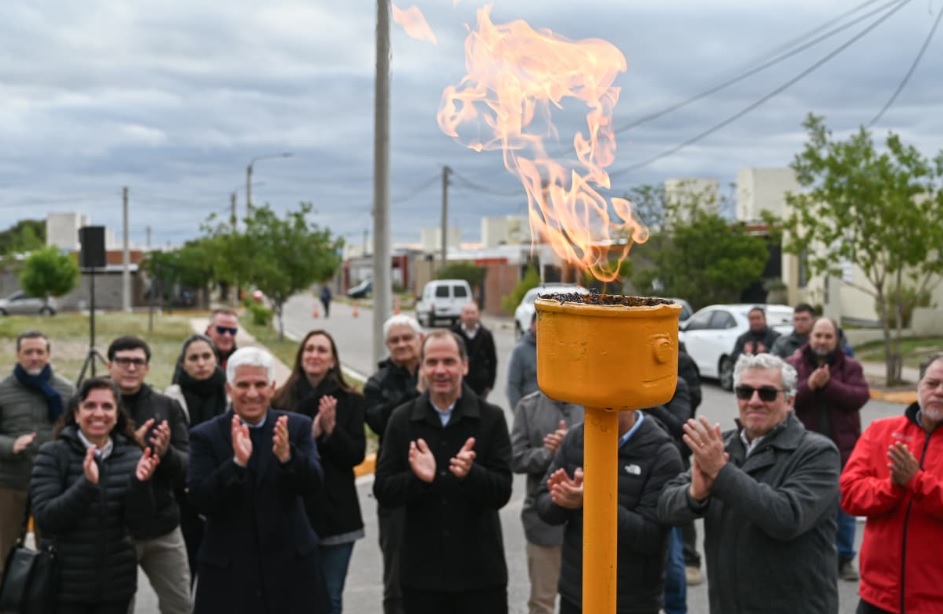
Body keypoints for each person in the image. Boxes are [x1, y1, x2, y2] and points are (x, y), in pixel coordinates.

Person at [658, 353, 841, 614]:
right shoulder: (723, 446)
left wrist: (721, 474)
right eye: (745, 392)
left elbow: (786, 517)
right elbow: (664, 504)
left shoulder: (818, 452)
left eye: (767, 393)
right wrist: (694, 494)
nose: (754, 401)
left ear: (789, 401)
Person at [374, 330, 513, 614]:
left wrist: (471, 474)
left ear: (465, 366)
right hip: (422, 578)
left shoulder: (491, 419)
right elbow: (384, 490)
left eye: (449, 362)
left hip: (481, 577)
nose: (440, 370)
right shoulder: (401, 420)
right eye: (432, 362)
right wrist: (418, 480)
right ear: (422, 368)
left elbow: (502, 491)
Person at [187, 347, 329, 614]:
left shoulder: (296, 427)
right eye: (243, 385)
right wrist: (236, 465)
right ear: (229, 388)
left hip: (291, 571)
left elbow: (314, 485)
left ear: (272, 387)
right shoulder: (205, 436)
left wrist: (288, 457)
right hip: (231, 577)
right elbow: (200, 499)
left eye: (260, 384)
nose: (252, 393)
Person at [535, 403, 683, 614]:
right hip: (576, 594)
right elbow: (543, 505)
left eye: (609, 402)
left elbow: (651, 536)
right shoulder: (576, 438)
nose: (598, 407)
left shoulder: (662, 454)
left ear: (631, 401)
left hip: (631, 602)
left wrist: (592, 503)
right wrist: (563, 497)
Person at [30, 377, 160, 614]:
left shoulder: (132, 456)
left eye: (107, 406)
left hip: (115, 588)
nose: (98, 413)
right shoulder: (52, 453)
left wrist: (140, 485)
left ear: (117, 414)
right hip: (64, 589)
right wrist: (87, 485)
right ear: (76, 414)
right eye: (90, 405)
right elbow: (46, 519)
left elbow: (142, 526)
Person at [841, 353, 943, 614]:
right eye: (932, 384)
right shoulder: (880, 431)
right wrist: (893, 487)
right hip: (877, 596)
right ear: (918, 386)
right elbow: (849, 495)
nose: (940, 392)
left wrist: (916, 482)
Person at [273, 330, 366, 614]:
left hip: (337, 515)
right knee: (292, 598)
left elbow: (355, 455)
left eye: (322, 350)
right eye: (309, 349)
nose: (315, 355)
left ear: (333, 360)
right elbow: (275, 459)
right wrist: (308, 435)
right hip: (293, 513)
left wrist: (330, 431)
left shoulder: (351, 400)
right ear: (301, 357)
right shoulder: (279, 400)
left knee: (330, 596)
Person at [106, 336, 191, 614]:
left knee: (180, 605)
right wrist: (131, 450)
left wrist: (165, 453)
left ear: (147, 368)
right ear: (110, 365)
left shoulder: (166, 406)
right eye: (123, 361)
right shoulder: (95, 406)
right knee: (117, 606)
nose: (131, 368)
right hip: (114, 530)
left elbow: (186, 468)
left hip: (162, 527)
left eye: (138, 362)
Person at [787, 316, 869, 581]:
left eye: (828, 336)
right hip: (802, 448)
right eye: (818, 336)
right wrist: (810, 386)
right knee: (804, 502)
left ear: (837, 339)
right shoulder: (793, 364)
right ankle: (805, 555)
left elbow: (859, 397)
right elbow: (784, 399)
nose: (822, 341)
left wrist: (829, 385)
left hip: (842, 449)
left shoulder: (851, 366)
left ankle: (844, 558)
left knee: (844, 505)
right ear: (810, 338)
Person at [0, 330, 74, 576]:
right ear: (18, 355)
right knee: (3, 553)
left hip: (53, 487)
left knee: (53, 554)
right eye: (28, 352)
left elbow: (77, 433)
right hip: (10, 484)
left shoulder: (66, 391)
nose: (34, 357)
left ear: (48, 354)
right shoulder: (3, 390)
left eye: (39, 352)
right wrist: (10, 445)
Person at [363, 314, 424, 614]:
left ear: (419, 340)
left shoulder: (436, 369)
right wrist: (417, 394)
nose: (401, 345)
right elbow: (379, 421)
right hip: (396, 485)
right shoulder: (377, 382)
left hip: (438, 483)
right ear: (387, 345)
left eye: (406, 338)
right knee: (396, 575)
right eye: (394, 341)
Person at [510, 391, 584, 614]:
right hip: (543, 522)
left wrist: (569, 446)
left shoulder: (592, 403)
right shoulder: (528, 406)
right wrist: (548, 453)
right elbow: (515, 458)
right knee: (543, 603)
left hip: (585, 525)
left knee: (585, 600)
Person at [163, 334, 229, 586]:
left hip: (226, 490)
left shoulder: (231, 393)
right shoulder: (171, 398)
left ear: (216, 360)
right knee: (186, 575)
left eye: (206, 356)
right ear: (183, 363)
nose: (201, 363)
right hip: (184, 495)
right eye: (194, 358)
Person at [451, 302, 498, 400]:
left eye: (473, 313)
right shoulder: (454, 334)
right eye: (467, 313)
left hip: (480, 385)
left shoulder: (486, 335)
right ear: (462, 315)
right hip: (459, 383)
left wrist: (490, 384)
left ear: (478, 315)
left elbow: (492, 360)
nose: (470, 316)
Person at [507, 312, 539, 410]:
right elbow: (512, 385)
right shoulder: (520, 351)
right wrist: (519, 413)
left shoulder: (556, 350)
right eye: (539, 322)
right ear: (531, 324)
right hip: (529, 411)